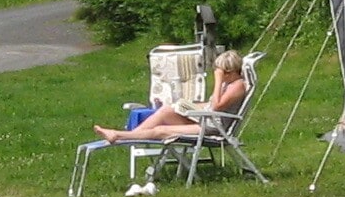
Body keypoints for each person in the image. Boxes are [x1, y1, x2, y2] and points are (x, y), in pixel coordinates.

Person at [96, 48, 246, 142]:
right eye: (220, 72)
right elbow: (211, 104)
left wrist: (218, 80)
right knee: (166, 110)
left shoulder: (238, 85)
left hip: (213, 128)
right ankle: (128, 136)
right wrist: (186, 106)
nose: (223, 76)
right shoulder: (229, 83)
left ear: (234, 71)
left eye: (225, 73)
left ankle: (118, 136)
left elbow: (217, 106)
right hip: (205, 120)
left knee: (161, 131)